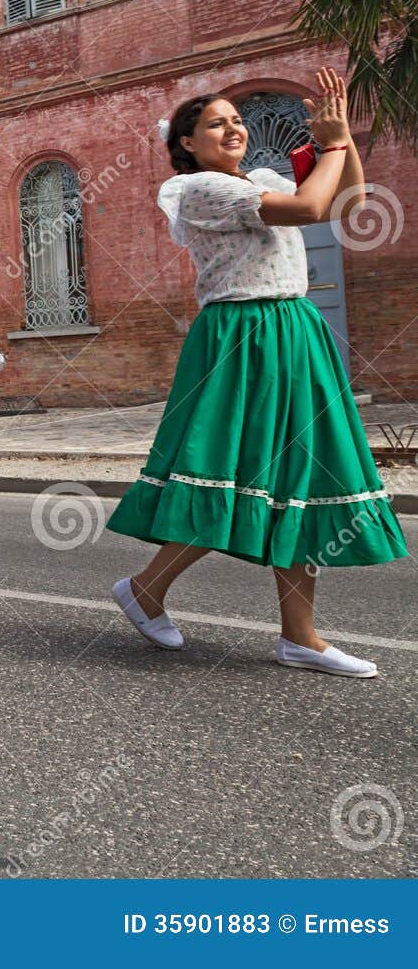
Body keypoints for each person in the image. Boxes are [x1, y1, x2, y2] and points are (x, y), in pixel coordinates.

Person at [106, 71, 406, 678]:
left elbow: (346, 202)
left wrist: (338, 137)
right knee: (235, 475)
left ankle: (299, 635)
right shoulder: (199, 190)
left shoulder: (261, 179)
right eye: (216, 122)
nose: (234, 128)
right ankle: (145, 589)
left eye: (237, 120)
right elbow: (310, 206)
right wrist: (334, 149)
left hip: (294, 330)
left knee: (305, 478)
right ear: (187, 143)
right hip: (241, 337)